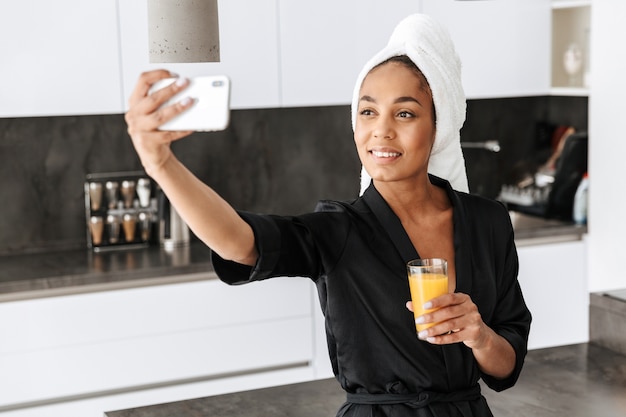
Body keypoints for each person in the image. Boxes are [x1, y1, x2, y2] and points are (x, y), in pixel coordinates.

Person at [125, 13, 531, 417]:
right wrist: (159, 162)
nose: (381, 130)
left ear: (438, 125)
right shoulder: (339, 230)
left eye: (405, 113)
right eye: (368, 112)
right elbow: (239, 241)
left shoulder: (488, 222)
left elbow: (506, 367)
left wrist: (479, 336)